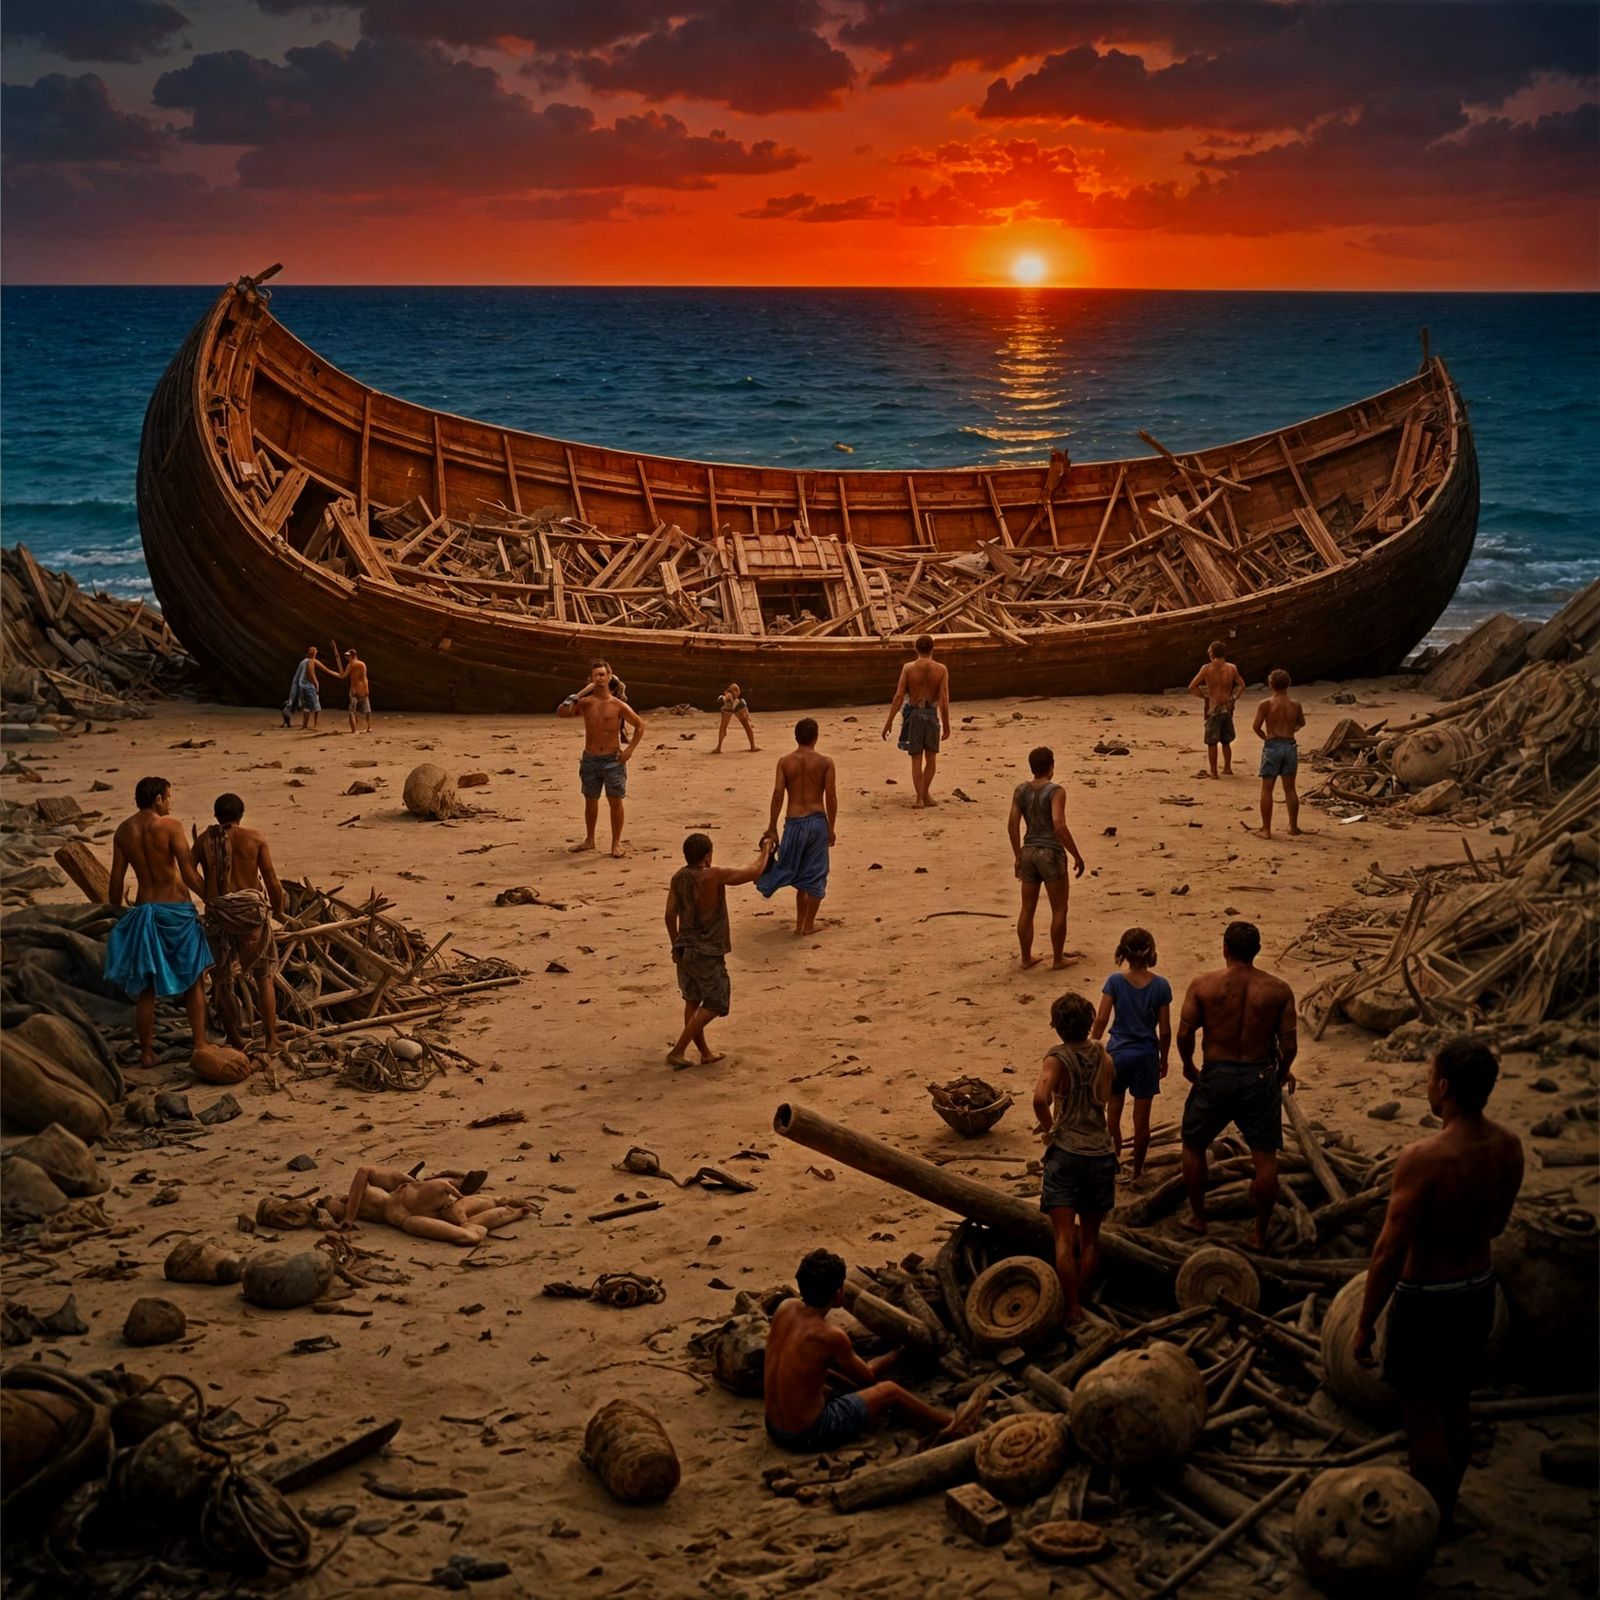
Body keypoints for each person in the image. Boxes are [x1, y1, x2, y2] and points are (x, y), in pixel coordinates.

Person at [1353, 1037, 1524, 1529]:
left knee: (1423, 1419)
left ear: (1444, 1087)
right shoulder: (1508, 1146)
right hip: (1478, 1291)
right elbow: (1495, 1227)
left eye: (1429, 1078)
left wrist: (1365, 1323)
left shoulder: (1424, 1157)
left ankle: (1426, 1523)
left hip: (1428, 1299)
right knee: (1457, 1404)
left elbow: (1388, 1251)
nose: (1427, 1086)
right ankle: (1446, 1509)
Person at [1176, 920, 1297, 1249]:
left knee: (1193, 1143)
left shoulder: (1203, 986)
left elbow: (1185, 1034)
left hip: (1217, 1073)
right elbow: (1290, 1045)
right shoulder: (1278, 990)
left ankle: (1198, 1218)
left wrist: (1189, 1067)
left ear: (1225, 949)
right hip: (1259, 1075)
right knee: (1265, 1158)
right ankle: (1259, 1232)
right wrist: (1280, 1072)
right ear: (1257, 951)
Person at [764, 1247, 955, 1452]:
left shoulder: (785, 1307)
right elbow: (868, 1377)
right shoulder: (830, 1335)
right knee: (889, 1390)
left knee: (825, 1377)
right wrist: (899, 1353)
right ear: (838, 1294)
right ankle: (952, 1426)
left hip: (773, 1427)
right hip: (809, 1435)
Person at [105, 777, 213, 1069]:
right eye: (169, 796)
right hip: (176, 911)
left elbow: (116, 880)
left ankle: (147, 1054)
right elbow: (188, 872)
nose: (171, 801)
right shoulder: (170, 826)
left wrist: (114, 911)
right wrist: (212, 898)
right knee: (194, 981)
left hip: (146, 911)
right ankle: (200, 1043)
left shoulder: (123, 831)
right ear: (158, 800)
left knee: (147, 989)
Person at [1032, 993, 1116, 1326]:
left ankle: (1071, 1308)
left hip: (1066, 1153)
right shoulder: (1102, 1054)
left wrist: (1050, 1130)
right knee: (1090, 1239)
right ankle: (1080, 1294)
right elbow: (1106, 1092)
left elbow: (1040, 1098)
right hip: (1100, 1151)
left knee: (1063, 1238)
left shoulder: (1057, 1058)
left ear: (1057, 1026)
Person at [664, 830, 775, 1068]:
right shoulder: (712, 875)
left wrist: (676, 944)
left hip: (685, 949)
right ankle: (678, 1050)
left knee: (692, 1000)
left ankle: (704, 1052)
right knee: (716, 1002)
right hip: (707, 950)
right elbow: (753, 871)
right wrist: (766, 849)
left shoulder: (678, 878)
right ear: (707, 856)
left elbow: (669, 915)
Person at [192, 792, 285, 1055]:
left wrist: (208, 895)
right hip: (251, 915)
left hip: (219, 914)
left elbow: (187, 871)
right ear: (240, 816)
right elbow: (271, 881)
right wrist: (277, 912)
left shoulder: (203, 841)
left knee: (223, 981)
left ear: (216, 816)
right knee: (263, 977)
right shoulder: (254, 838)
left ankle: (235, 1041)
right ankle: (271, 1039)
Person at [1091, 927, 1172, 1181]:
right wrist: (1164, 1058)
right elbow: (1166, 1030)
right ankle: (1137, 1170)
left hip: (1117, 1054)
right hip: (1146, 1055)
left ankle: (1113, 1163)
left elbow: (1102, 1018)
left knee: (1112, 1114)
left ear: (1123, 953)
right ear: (1151, 952)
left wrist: (1093, 1045)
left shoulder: (1114, 981)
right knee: (1142, 1121)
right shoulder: (1160, 985)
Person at [1006, 746, 1086, 970]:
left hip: (1029, 851)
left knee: (1027, 908)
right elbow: (1059, 824)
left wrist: (1017, 855)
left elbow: (1012, 824)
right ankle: (1058, 958)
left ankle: (1025, 957)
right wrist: (1076, 855)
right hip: (1050, 852)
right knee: (1059, 908)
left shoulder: (1021, 790)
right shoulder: (1056, 791)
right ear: (1051, 766)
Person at [557, 659, 646, 857]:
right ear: (591, 678)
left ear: (609, 676)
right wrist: (578, 694)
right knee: (591, 800)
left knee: (615, 801)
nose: (599, 678)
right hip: (590, 759)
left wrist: (629, 750)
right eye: (596, 675)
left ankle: (616, 844)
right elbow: (562, 712)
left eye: (602, 674)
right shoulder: (586, 703)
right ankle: (590, 840)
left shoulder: (617, 705)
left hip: (612, 760)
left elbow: (640, 725)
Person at [756, 718, 836, 936]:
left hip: (793, 822)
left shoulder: (785, 762)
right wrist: (831, 828)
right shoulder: (825, 762)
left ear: (796, 736)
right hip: (817, 820)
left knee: (799, 874)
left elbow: (777, 794)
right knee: (816, 874)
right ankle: (808, 924)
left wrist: (772, 826)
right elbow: (831, 795)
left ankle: (801, 923)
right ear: (816, 737)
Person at [332, 1165, 529, 1246]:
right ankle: (510, 1212)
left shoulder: (360, 1196)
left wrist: (349, 1218)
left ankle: (498, 1203)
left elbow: (363, 1171)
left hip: (408, 1204)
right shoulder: (340, 1206)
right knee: (466, 1234)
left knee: (454, 1205)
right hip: (407, 1219)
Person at [881, 635, 950, 808]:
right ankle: (925, 794)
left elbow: (898, 696)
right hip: (931, 715)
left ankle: (920, 798)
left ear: (916, 649)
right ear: (933, 648)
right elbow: (944, 699)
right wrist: (946, 726)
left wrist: (889, 721)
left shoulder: (908, 668)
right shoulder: (941, 669)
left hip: (914, 715)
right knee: (931, 759)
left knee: (916, 759)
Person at [1252, 668, 1307, 837]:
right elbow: (1301, 723)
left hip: (1272, 746)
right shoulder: (1295, 705)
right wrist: (1290, 730)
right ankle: (1293, 827)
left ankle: (1266, 829)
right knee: (1290, 789)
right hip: (1289, 746)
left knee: (1267, 789)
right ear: (1288, 684)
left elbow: (1256, 726)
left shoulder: (1266, 704)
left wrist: (1267, 737)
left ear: (1270, 685)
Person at [1188, 640, 1246, 779]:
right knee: (1226, 740)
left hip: (1213, 708)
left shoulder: (1206, 669)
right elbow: (1242, 685)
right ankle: (1227, 767)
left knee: (1212, 742)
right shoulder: (1231, 668)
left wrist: (1205, 697)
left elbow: (1192, 687)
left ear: (1211, 654)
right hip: (1227, 707)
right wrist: (1233, 698)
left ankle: (1214, 772)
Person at [282, 645, 326, 730]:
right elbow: (311, 675)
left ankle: (310, 725)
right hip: (306, 686)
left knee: (312, 707)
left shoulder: (309, 661)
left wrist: (338, 675)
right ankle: (305, 725)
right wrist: (316, 684)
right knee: (308, 707)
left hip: (305, 686)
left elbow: (324, 669)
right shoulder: (307, 662)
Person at [333, 643, 373, 734]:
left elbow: (343, 676)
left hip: (355, 690)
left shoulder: (351, 664)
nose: (347, 658)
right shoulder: (363, 664)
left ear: (352, 655)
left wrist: (331, 672)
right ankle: (369, 727)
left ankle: (353, 730)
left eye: (348, 656)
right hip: (364, 689)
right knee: (367, 710)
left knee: (352, 710)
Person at [713, 682, 758, 754]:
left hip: (728, 705)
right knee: (747, 726)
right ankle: (753, 746)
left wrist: (724, 699)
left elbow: (727, 698)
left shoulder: (729, 693)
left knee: (723, 728)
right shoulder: (734, 694)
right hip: (736, 705)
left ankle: (719, 747)